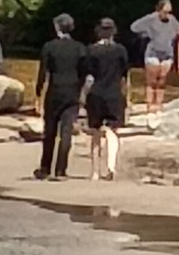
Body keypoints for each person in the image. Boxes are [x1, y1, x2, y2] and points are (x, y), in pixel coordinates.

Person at [33, 13, 87, 181]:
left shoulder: (49, 46)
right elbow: (84, 71)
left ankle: (45, 167)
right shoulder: (79, 47)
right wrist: (80, 88)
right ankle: (61, 170)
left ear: (57, 27)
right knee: (66, 132)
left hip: (55, 90)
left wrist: (38, 91)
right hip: (72, 91)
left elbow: (43, 71)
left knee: (49, 131)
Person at [84, 18, 129, 181]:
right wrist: (126, 97)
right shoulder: (120, 50)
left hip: (96, 93)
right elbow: (125, 75)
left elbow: (89, 76)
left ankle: (95, 171)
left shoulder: (92, 50)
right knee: (112, 131)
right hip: (114, 94)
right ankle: (111, 167)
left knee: (95, 133)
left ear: (99, 31)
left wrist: (83, 95)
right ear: (114, 32)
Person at [130, 0, 179, 113]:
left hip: (167, 53)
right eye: (165, 11)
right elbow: (134, 27)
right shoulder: (151, 18)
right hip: (153, 52)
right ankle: (149, 104)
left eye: (169, 12)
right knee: (152, 80)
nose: (167, 14)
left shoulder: (172, 20)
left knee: (162, 80)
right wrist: (146, 34)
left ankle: (159, 104)